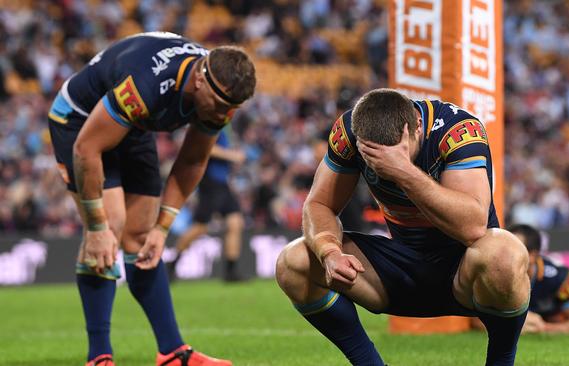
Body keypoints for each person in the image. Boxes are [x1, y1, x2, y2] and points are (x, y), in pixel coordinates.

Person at [275, 88, 531, 366]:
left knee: (505, 252)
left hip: (466, 270)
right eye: (374, 159)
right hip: (401, 266)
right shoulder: (349, 132)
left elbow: (472, 227)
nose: (381, 165)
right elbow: (319, 204)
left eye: (399, 153)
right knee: (293, 261)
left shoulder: (459, 130)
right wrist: (329, 252)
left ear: (417, 128)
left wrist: (402, 170)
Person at [47, 32, 256, 366]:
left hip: (133, 124)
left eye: (231, 109)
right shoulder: (146, 83)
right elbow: (87, 149)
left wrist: (163, 228)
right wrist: (97, 226)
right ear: (200, 79)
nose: (222, 116)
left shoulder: (221, 95)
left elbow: (192, 160)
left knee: (142, 237)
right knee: (111, 226)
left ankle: (172, 353)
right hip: (80, 122)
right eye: (219, 106)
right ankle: (99, 356)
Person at [170, 126, 246, 282]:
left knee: (235, 223)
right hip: (210, 182)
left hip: (222, 184)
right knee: (200, 227)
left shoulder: (224, 126)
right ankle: (171, 265)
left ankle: (231, 272)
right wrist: (232, 156)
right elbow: (205, 147)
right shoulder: (213, 122)